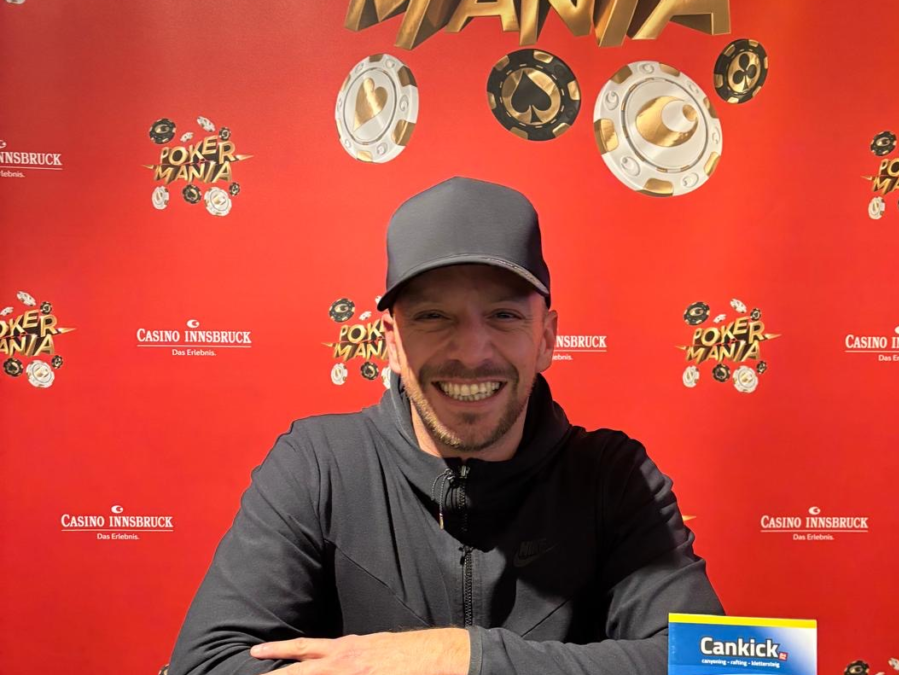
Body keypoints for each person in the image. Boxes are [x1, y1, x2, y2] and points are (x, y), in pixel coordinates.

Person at [168, 176, 723, 675]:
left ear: (547, 338)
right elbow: (207, 664)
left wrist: (459, 658)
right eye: (433, 316)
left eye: (504, 315)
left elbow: (719, 665)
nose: (471, 352)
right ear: (391, 342)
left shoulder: (614, 477)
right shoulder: (318, 464)